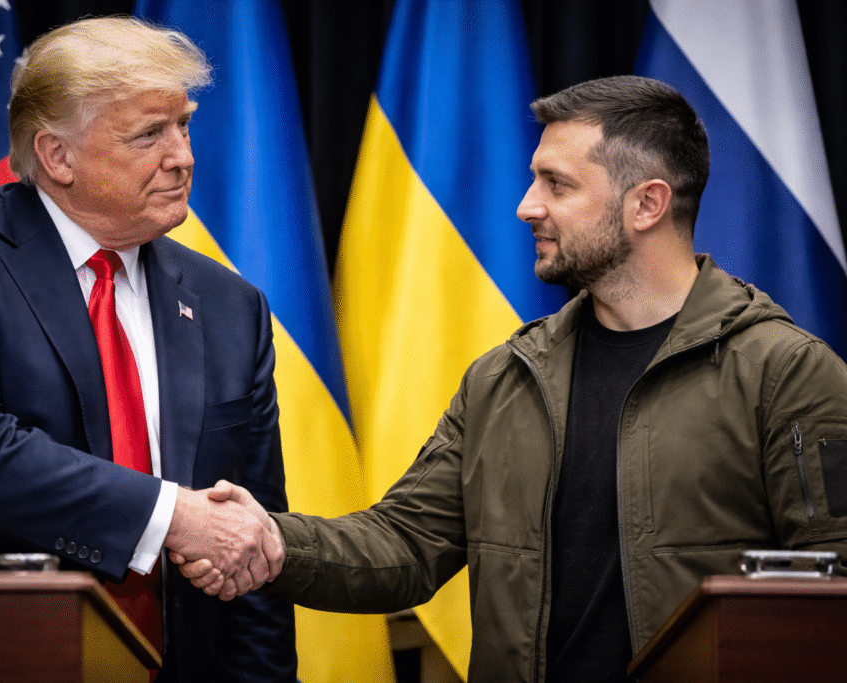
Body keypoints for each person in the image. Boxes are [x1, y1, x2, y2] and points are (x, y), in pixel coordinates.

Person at [180, 75, 847, 682]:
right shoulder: (504, 377)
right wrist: (271, 540)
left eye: (558, 184)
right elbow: (404, 545)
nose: (527, 206)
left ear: (647, 204)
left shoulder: (787, 372)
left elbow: (832, 593)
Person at [0, 17, 295, 682]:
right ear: (57, 156)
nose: (183, 156)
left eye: (183, 125)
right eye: (149, 134)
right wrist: (170, 516)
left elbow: (251, 542)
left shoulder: (230, 306)